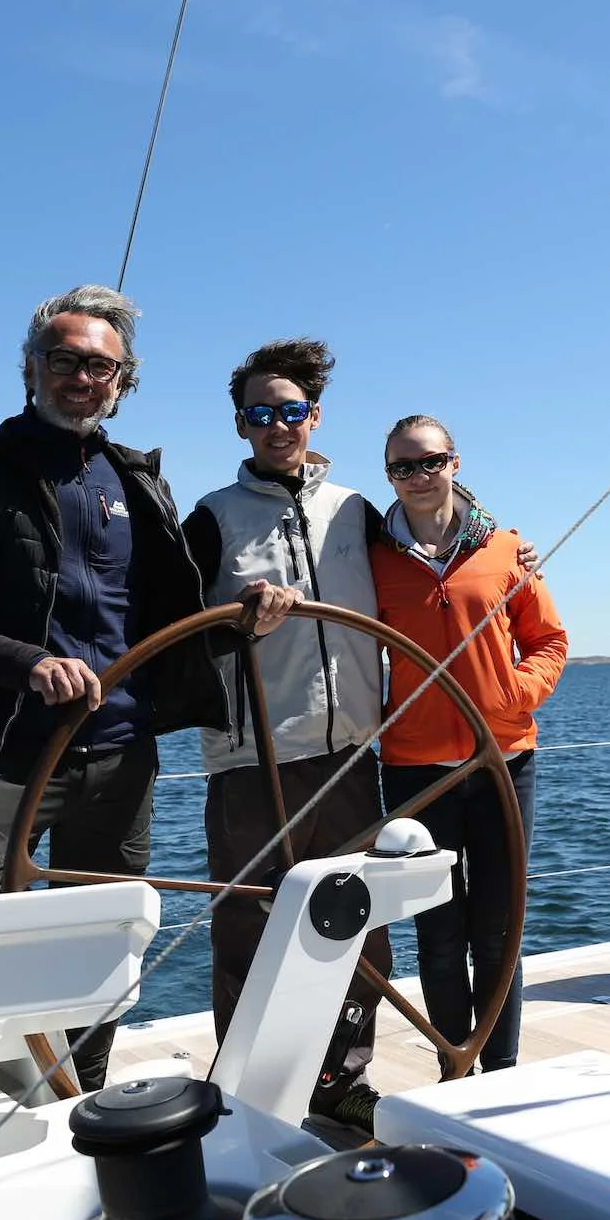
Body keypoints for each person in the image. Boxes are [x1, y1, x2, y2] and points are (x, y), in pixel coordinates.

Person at [0, 284, 225, 1093]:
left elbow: (168, 608)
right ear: (32, 367)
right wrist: (28, 663)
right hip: (10, 746)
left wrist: (240, 621)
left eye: (101, 366)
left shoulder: (136, 481)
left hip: (120, 751)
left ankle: (80, 1099)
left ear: (124, 381)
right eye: (66, 360)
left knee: (104, 938)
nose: (83, 378)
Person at [180, 337, 395, 1133]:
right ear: (242, 426)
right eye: (261, 414)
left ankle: (343, 1078)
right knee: (248, 926)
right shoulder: (210, 519)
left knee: (358, 922)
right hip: (253, 757)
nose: (279, 426)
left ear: (315, 416)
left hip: (351, 752)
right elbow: (174, 634)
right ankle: (246, 1089)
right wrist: (237, 625)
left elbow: (434, 548)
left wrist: (503, 543)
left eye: (292, 411)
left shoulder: (357, 510)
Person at [369, 414, 567, 1075]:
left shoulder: (506, 549)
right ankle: (454, 1069)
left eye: (430, 461)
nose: (419, 476)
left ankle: (501, 1069)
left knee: (498, 930)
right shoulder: (370, 558)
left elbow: (549, 641)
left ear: (455, 462)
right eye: (403, 467)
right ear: (389, 476)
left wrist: (515, 694)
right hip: (414, 771)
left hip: (507, 763)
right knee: (438, 933)